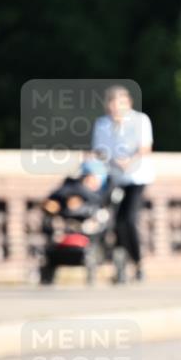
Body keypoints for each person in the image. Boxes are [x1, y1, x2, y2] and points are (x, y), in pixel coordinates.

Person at [91, 85, 154, 282]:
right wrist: (111, 160)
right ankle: (120, 265)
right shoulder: (102, 124)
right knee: (115, 222)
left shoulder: (140, 120)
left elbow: (145, 147)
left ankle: (138, 262)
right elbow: (99, 150)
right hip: (115, 178)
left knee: (129, 219)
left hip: (136, 177)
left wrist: (129, 161)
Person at [42, 158, 109, 218]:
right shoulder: (71, 187)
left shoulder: (99, 199)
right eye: (88, 177)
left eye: (94, 180)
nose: (90, 181)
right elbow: (53, 202)